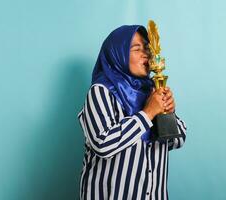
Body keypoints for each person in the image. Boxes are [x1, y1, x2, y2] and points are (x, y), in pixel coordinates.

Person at [77, 25, 187, 200]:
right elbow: (102, 144)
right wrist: (148, 113)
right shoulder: (101, 91)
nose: (146, 53)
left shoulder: (152, 92)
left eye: (146, 48)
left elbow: (177, 141)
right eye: (137, 48)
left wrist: (168, 114)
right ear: (117, 54)